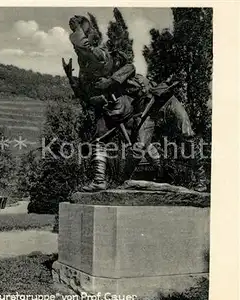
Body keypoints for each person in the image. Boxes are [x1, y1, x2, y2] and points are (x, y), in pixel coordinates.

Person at [63, 14, 207, 192]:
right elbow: (86, 96)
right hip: (147, 112)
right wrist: (70, 78)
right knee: (139, 146)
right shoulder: (92, 75)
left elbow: (129, 67)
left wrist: (111, 81)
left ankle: (200, 178)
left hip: (162, 99)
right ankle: (159, 173)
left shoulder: (114, 65)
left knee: (187, 133)